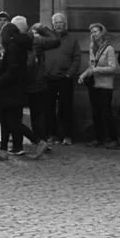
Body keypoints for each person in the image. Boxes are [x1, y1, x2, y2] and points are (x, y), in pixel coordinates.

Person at [0, 15, 49, 159]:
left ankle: (38, 141)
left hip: (10, 89)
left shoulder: (13, 48)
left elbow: (13, 69)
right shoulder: (19, 45)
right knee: (5, 120)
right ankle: (3, 150)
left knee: (12, 122)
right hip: (14, 88)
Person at [43, 14, 82, 145]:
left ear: (65, 24)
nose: (58, 25)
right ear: (52, 24)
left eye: (61, 22)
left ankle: (67, 135)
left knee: (66, 108)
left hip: (65, 78)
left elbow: (77, 58)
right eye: (56, 23)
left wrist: (70, 74)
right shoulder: (47, 39)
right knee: (49, 108)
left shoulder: (72, 40)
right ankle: (52, 134)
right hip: (49, 78)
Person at [84, 23, 120, 147]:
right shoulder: (92, 47)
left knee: (106, 112)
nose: (94, 34)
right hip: (94, 84)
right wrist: (85, 74)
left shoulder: (108, 49)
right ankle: (98, 137)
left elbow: (113, 68)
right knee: (96, 112)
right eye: (92, 32)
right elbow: (91, 65)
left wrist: (96, 70)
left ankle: (112, 138)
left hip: (105, 85)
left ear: (102, 33)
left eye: (96, 31)